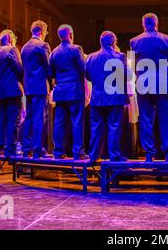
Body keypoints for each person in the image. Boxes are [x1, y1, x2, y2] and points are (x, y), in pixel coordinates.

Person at [130, 13, 168, 162]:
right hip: (162, 81)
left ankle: (149, 154)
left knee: (146, 119)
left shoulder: (134, 41)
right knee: (165, 119)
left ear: (143, 24)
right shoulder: (167, 39)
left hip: (143, 83)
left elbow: (132, 65)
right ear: (157, 23)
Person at [86, 31, 129, 162]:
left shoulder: (91, 57)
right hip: (114, 97)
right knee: (114, 127)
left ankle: (93, 155)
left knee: (96, 128)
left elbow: (87, 75)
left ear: (100, 42)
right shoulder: (120, 56)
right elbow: (125, 76)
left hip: (97, 97)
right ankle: (114, 156)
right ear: (114, 42)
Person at [49, 24, 87, 160]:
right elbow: (83, 69)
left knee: (59, 122)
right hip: (75, 90)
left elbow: (50, 72)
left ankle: (58, 152)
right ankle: (78, 152)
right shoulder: (76, 49)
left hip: (60, 91)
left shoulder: (54, 52)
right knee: (77, 122)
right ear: (71, 34)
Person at [21, 20, 52, 159]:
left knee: (29, 118)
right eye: (46, 32)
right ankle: (38, 150)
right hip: (40, 87)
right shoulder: (42, 45)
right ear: (41, 31)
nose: (46, 35)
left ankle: (27, 148)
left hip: (28, 87)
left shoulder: (24, 47)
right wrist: (52, 82)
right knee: (40, 119)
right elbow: (49, 67)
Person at [0, 29, 23, 158]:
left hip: (2, 90)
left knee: (1, 119)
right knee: (14, 120)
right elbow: (19, 69)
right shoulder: (12, 50)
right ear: (10, 39)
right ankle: (10, 149)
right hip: (13, 89)